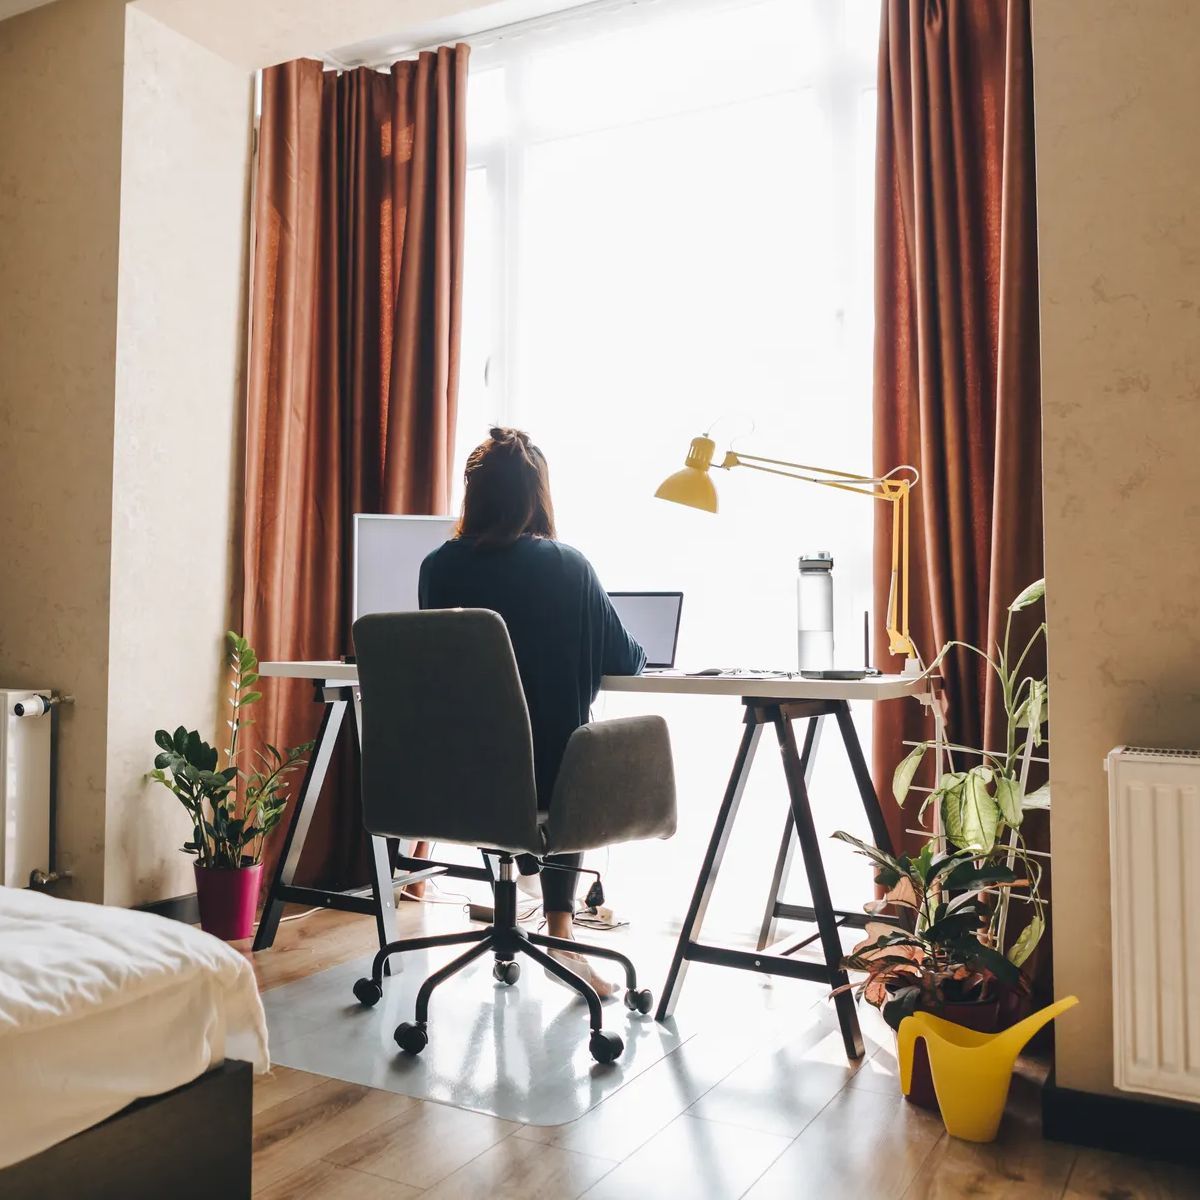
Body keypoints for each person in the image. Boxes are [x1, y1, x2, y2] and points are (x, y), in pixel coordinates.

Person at [419, 427, 645, 999]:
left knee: (537, 740)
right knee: (574, 742)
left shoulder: (437, 568)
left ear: (473, 496)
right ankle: (562, 936)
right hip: (548, 784)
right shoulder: (568, 567)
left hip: (453, 781)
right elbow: (628, 660)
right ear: (537, 496)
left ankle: (522, 877)